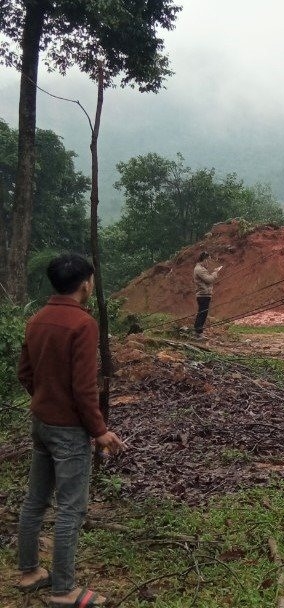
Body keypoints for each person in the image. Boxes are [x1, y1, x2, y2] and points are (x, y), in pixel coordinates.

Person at [15, 253, 126, 606]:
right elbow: (83, 388)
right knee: (70, 509)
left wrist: (46, 398)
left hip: (41, 424)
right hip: (68, 431)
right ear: (85, 284)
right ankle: (64, 589)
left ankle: (30, 572)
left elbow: (24, 372)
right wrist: (99, 431)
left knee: (35, 501)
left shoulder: (37, 319)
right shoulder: (83, 324)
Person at [193, 251, 222, 339]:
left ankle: (199, 332)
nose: (209, 262)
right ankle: (198, 333)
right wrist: (215, 272)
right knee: (202, 314)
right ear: (204, 259)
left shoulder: (201, 268)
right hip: (203, 294)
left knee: (203, 313)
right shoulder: (199, 269)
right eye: (208, 260)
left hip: (205, 294)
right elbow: (209, 280)